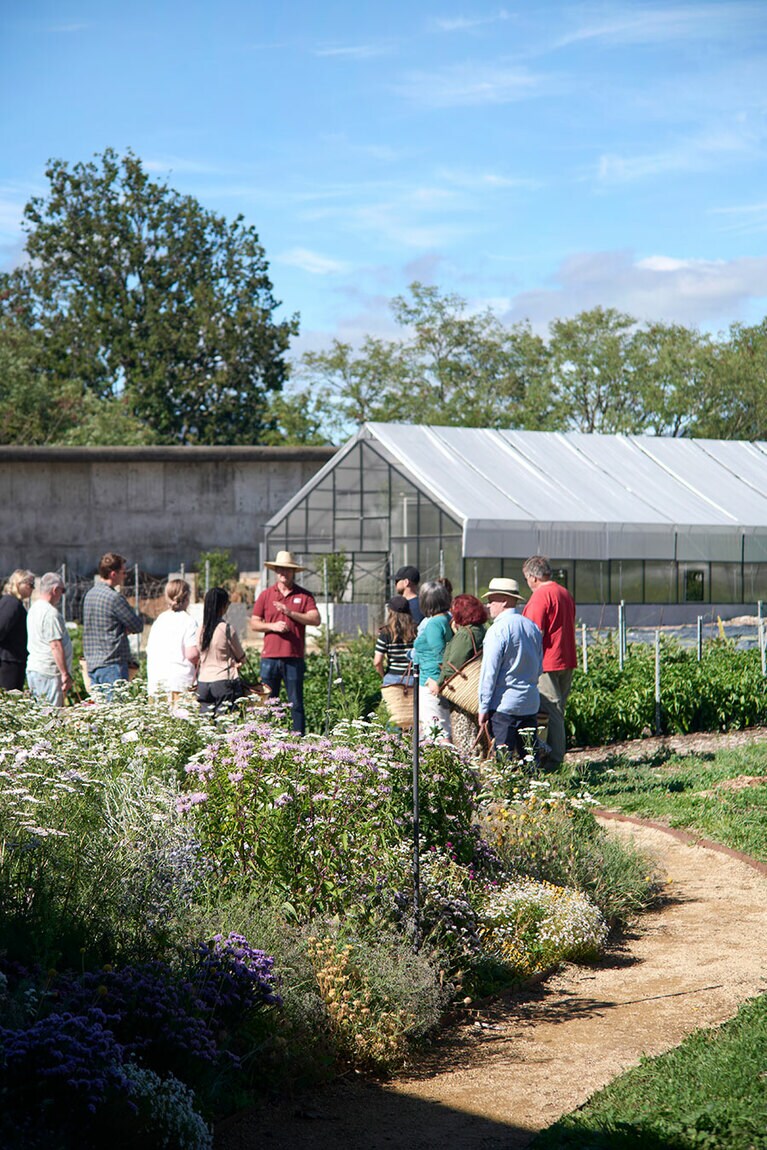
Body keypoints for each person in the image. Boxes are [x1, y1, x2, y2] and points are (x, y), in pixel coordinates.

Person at [250, 550, 320, 735]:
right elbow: (254, 623)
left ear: (294, 572)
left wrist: (290, 613)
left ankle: (298, 740)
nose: (283, 573)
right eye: (280, 569)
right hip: (270, 658)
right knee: (267, 702)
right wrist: (272, 626)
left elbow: (315, 619)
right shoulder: (266, 595)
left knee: (296, 702)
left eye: (287, 570)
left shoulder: (304, 596)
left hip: (293, 658)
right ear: (275, 571)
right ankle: (265, 739)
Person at [478, 577, 543, 760]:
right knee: (530, 759)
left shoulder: (497, 630)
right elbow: (539, 668)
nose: (488, 606)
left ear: (504, 600)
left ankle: (506, 789)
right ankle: (533, 788)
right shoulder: (532, 627)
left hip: (504, 705)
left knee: (503, 761)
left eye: (491, 601)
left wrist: (483, 708)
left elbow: (489, 673)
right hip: (529, 702)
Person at [522, 555, 577, 767]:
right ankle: (551, 754)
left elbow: (532, 632)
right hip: (566, 657)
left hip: (547, 661)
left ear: (533, 577)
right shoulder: (564, 593)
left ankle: (554, 760)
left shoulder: (539, 597)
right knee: (558, 709)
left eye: (527, 578)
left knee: (551, 710)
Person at [82, 552, 143, 699]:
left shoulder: (89, 594)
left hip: (93, 664)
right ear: (113, 574)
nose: (125, 576)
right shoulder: (114, 598)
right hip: (112, 665)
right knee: (115, 714)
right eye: (123, 572)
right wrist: (123, 628)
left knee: (100, 713)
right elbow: (137, 625)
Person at [437, 593, 487, 756]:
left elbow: (453, 665)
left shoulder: (465, 634)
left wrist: (438, 684)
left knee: (465, 738)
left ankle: (470, 777)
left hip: (463, 696)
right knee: (479, 740)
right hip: (476, 693)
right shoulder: (480, 629)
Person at [411, 579, 453, 740]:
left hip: (431, 682)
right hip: (436, 680)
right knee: (438, 728)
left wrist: (438, 681)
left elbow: (441, 656)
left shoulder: (434, 624)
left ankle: (449, 763)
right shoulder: (446, 618)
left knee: (437, 731)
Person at [146, 579, 200, 702]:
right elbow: (191, 654)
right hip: (179, 683)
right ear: (187, 598)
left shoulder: (160, 620)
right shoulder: (188, 621)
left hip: (157, 682)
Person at [26, 572, 73, 707]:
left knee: (42, 714)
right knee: (51, 717)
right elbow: (55, 645)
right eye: (62, 591)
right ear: (55, 590)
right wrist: (65, 674)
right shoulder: (50, 613)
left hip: (36, 668)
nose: (62, 595)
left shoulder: (34, 608)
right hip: (49, 672)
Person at [196, 586, 246, 715]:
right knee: (225, 724)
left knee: (205, 724)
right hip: (223, 681)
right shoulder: (227, 629)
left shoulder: (200, 629)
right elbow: (241, 657)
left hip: (203, 682)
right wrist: (238, 663)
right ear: (223, 606)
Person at [0, 569, 35, 690]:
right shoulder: (11, 603)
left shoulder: (14, 603)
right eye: (30, 585)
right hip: (9, 662)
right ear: (18, 584)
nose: (33, 588)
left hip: (13, 660)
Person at [374, 595, 417, 686]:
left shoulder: (386, 632)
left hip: (392, 678)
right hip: (413, 678)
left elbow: (377, 662)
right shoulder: (416, 630)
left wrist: (384, 676)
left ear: (390, 611)